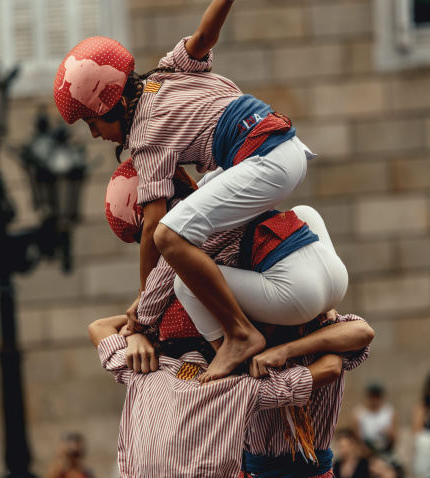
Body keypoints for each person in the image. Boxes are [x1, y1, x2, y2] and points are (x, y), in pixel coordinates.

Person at [57, 0, 319, 381]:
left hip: (264, 162)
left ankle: (239, 335)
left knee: (170, 236)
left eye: (92, 122)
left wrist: (147, 313)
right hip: (284, 146)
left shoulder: (144, 140)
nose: (95, 134)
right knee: (191, 223)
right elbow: (205, 35)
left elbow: (153, 227)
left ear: (110, 102)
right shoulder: (166, 71)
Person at [104, 159, 347, 377]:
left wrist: (139, 324)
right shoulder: (216, 189)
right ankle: (327, 309)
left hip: (297, 297)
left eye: (143, 240)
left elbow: (166, 278)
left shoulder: (181, 226)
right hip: (336, 278)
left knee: (187, 282)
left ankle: (230, 349)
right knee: (304, 212)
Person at [88, 314, 343, 477]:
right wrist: (320, 324)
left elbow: (100, 326)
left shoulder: (145, 373)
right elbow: (330, 367)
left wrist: (138, 332)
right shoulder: (238, 388)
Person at [240, 311, 374, 478]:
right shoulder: (249, 336)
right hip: (256, 470)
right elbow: (330, 367)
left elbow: (364, 332)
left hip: (310, 470)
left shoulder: (330, 326)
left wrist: (284, 351)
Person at [354, 383, 397, 457]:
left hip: (385, 449)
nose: (374, 399)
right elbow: (356, 440)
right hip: (366, 451)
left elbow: (394, 439)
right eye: (372, 396)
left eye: (377, 396)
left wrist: (389, 434)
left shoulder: (389, 412)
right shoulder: (358, 413)